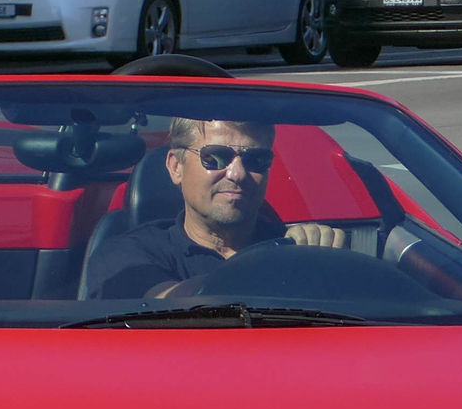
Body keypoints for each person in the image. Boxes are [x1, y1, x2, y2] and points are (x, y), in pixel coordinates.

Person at [83, 118, 352, 300]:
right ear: (176, 167)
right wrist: (279, 271)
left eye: (256, 159)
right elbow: (163, 306)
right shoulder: (125, 253)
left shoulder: (297, 250)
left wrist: (324, 262)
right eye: (215, 157)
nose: (237, 173)